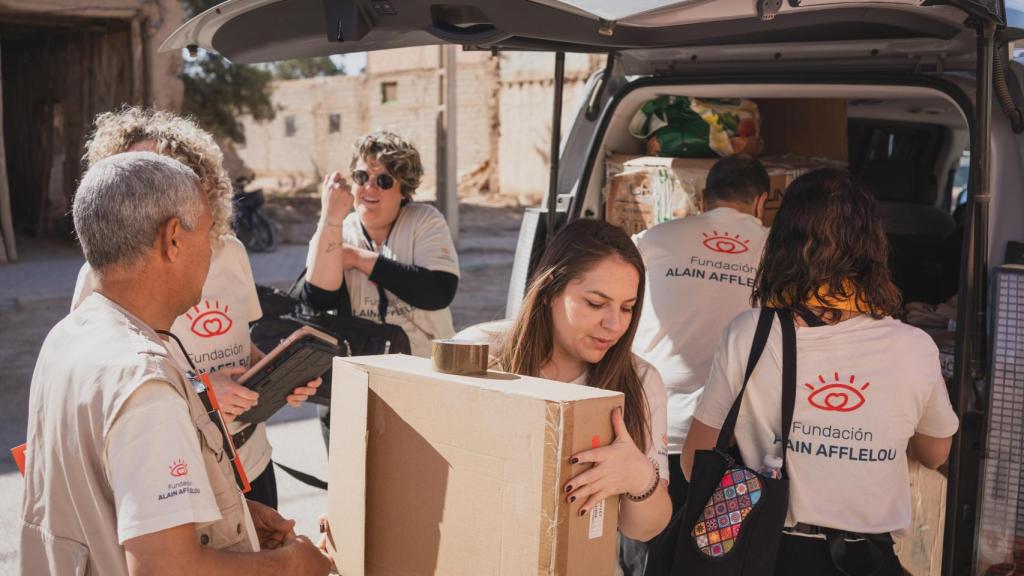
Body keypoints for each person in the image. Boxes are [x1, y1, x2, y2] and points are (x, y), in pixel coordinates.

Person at [21, 152, 331, 575]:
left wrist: (227, 514)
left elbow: (105, 496)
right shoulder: (145, 385)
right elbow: (166, 568)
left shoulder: (68, 337)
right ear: (173, 239)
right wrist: (293, 566)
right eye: (207, 232)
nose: (210, 249)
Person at [683, 169, 959, 575]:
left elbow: (695, 462)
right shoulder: (914, 346)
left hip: (767, 553)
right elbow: (936, 453)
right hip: (867, 558)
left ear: (781, 243)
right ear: (874, 249)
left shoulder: (751, 332)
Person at [71, 107, 317, 509]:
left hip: (251, 460)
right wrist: (204, 390)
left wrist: (275, 375)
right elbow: (102, 391)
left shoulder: (231, 251)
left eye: (169, 172)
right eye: (138, 173)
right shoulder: (99, 277)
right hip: (179, 475)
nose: (156, 188)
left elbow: (243, 346)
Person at [458, 219, 672, 547]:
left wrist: (640, 476)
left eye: (627, 308)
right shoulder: (477, 354)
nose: (614, 324)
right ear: (551, 292)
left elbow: (644, 529)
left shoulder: (642, 381)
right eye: (596, 303)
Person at [301, 130, 460, 444]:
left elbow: (437, 292)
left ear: (404, 189)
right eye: (362, 177)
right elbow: (317, 300)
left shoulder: (425, 221)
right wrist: (329, 220)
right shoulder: (338, 229)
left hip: (423, 379)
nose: (369, 188)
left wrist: (359, 259)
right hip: (357, 385)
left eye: (384, 181)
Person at [632, 154, 770, 509]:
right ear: (761, 202)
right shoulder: (782, 253)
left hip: (652, 424)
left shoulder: (653, 239)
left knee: (647, 548)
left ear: (703, 199)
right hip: (733, 440)